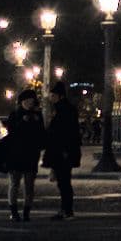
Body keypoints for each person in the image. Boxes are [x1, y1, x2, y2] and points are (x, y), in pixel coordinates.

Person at [0, 88, 46, 221]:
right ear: (22, 102)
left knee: (29, 185)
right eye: (28, 101)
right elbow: (12, 132)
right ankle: (14, 211)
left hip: (31, 154)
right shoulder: (15, 115)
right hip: (16, 154)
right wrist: (23, 121)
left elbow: (41, 134)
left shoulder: (37, 115)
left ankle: (26, 212)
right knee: (14, 183)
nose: (30, 103)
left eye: (32, 101)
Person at [42, 83, 82, 219]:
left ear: (60, 96)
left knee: (64, 182)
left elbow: (65, 133)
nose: (51, 98)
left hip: (63, 152)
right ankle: (65, 209)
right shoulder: (63, 109)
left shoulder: (64, 110)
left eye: (53, 95)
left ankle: (67, 210)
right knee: (63, 182)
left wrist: (65, 150)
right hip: (62, 151)